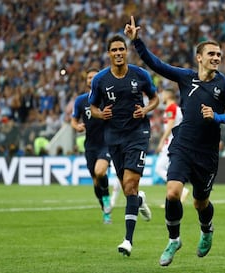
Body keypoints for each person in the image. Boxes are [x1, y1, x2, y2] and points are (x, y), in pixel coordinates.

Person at [124, 15, 225, 266]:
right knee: (172, 193)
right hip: (182, 145)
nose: (216, 58)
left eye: (219, 55)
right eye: (211, 54)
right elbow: (156, 64)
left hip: (207, 153)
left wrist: (217, 116)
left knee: (201, 202)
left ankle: (207, 229)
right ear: (199, 57)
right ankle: (174, 239)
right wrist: (137, 42)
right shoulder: (186, 77)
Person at [88, 34, 159, 257]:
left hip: (138, 133)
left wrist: (145, 110)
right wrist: (102, 113)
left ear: (126, 51)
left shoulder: (141, 75)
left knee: (129, 185)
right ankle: (139, 200)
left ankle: (128, 240)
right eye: (114, 50)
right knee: (129, 189)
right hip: (113, 136)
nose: (118, 53)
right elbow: (92, 108)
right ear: (109, 53)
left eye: (121, 49)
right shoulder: (100, 80)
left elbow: (155, 99)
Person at [71, 68, 121, 224]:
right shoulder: (80, 101)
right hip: (90, 146)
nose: (91, 79)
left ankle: (106, 200)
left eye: (94, 77)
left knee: (100, 172)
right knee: (96, 182)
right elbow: (73, 119)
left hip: (106, 143)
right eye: (88, 77)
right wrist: (76, 126)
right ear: (86, 81)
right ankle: (105, 211)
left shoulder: (107, 98)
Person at [154, 88, 189, 206]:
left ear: (168, 96)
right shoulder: (177, 108)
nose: (161, 96)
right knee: (170, 170)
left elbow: (170, 126)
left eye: (163, 94)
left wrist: (161, 142)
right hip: (177, 142)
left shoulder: (171, 108)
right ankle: (173, 195)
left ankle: (181, 190)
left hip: (170, 142)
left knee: (159, 169)